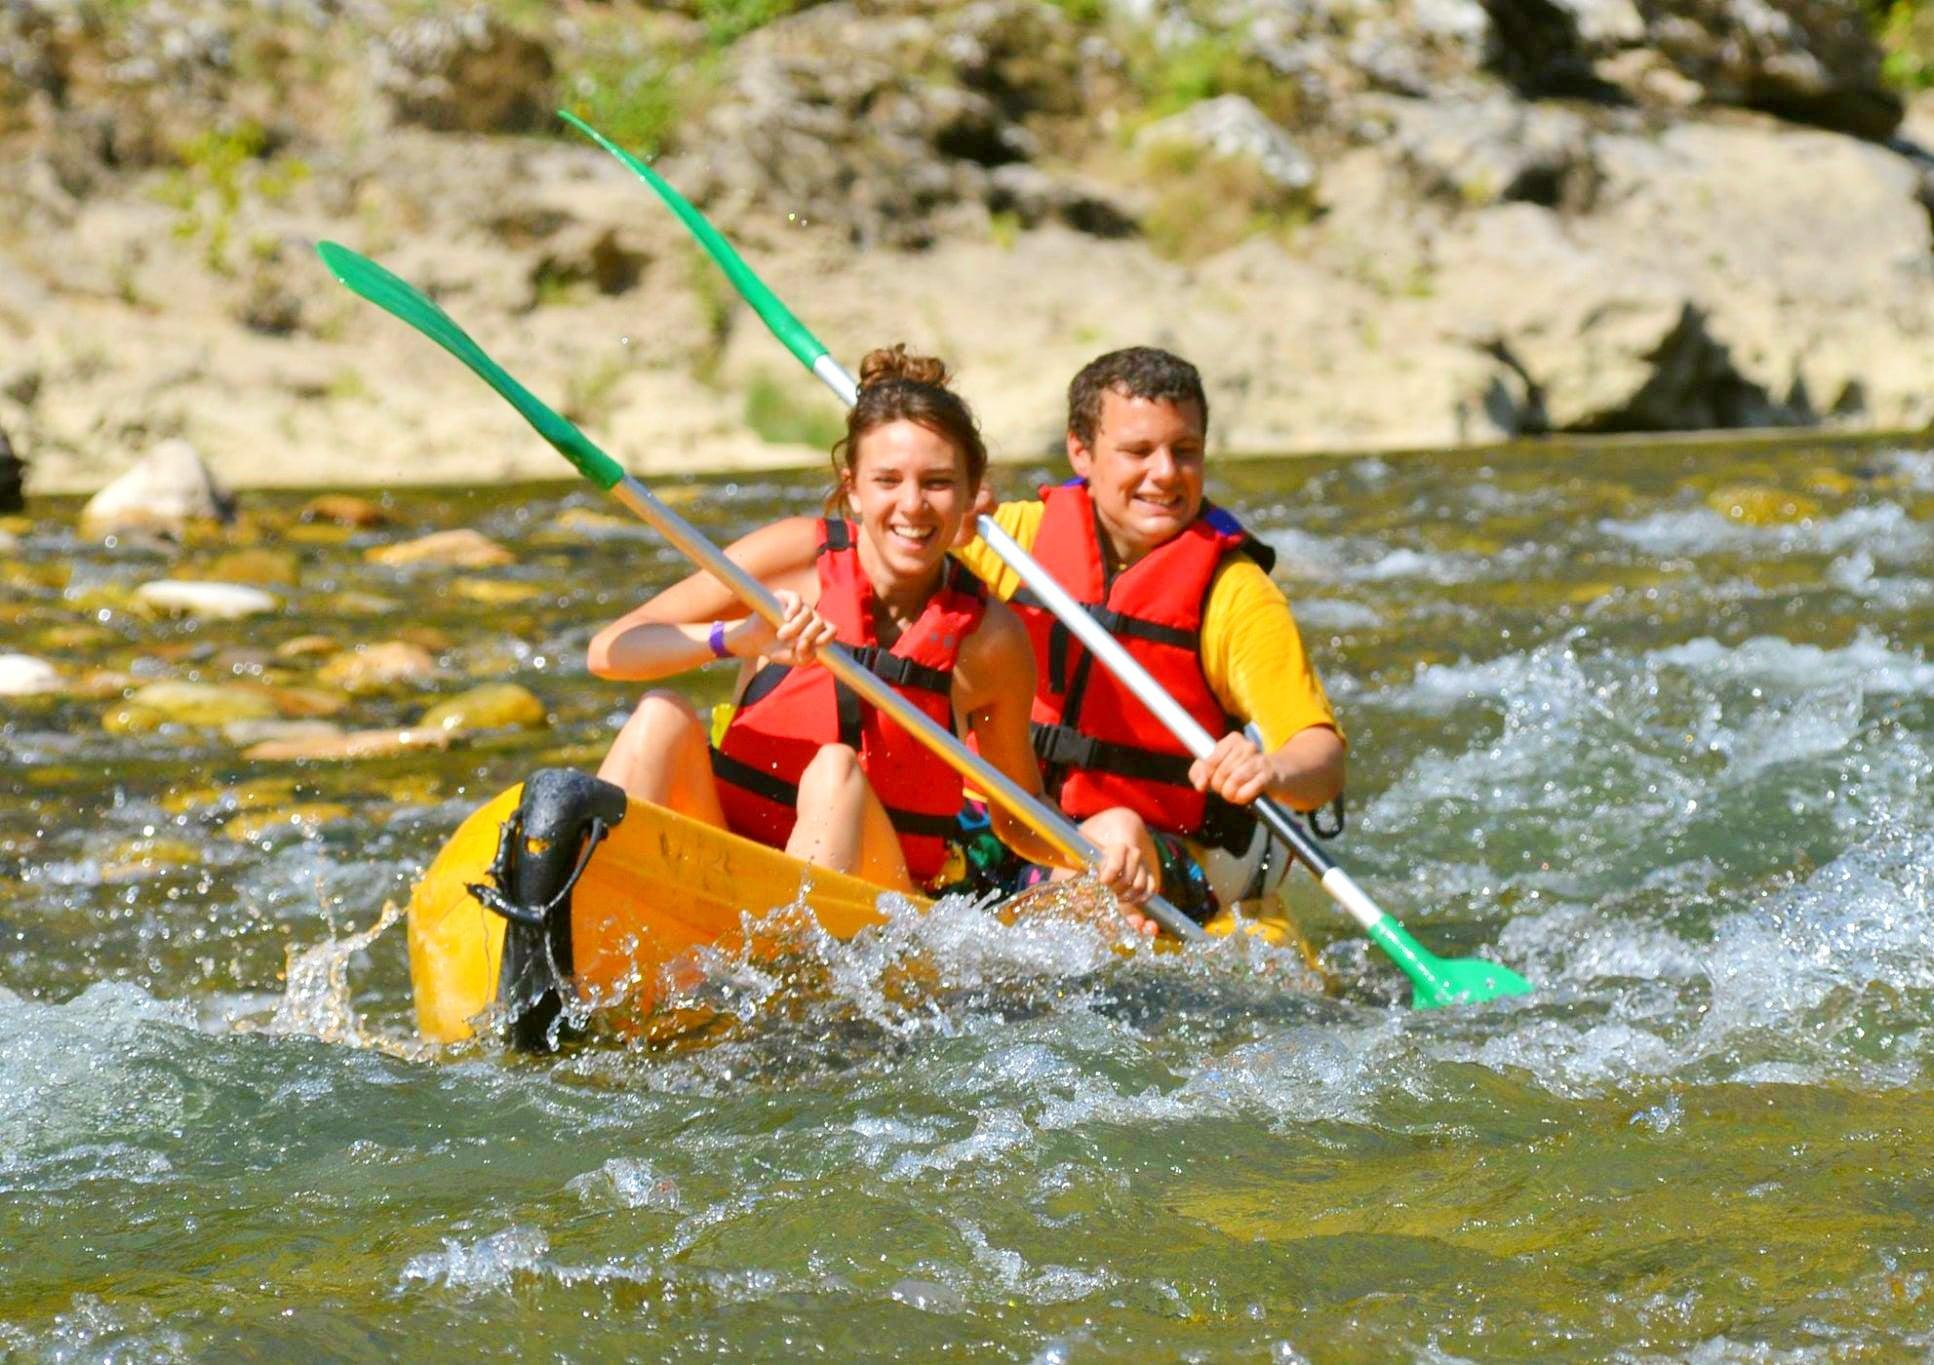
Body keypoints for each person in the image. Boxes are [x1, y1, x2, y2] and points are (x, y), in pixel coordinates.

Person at [587, 345, 1152, 906]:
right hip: (731, 857)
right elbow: (609, 650)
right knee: (661, 715)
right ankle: (579, 909)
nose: (913, 505)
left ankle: (788, 953)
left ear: (969, 495)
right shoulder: (794, 558)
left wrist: (1097, 852)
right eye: (888, 481)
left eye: (937, 482)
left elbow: (1018, 818)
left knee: (835, 772)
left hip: (870, 903)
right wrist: (731, 639)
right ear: (853, 488)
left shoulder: (989, 638)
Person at [954, 346, 1346, 929]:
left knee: (1116, 835)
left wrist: (1273, 771)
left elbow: (1321, 759)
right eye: (1138, 451)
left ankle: (1041, 937)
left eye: (1184, 451)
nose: (1165, 472)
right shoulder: (1007, 539)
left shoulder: (1235, 593)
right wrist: (937, 525)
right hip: (994, 824)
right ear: (1080, 452)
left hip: (1147, 856)